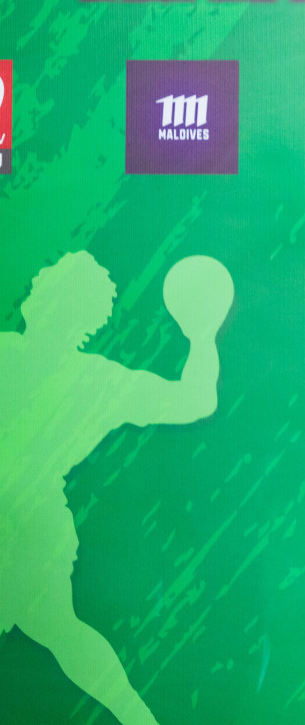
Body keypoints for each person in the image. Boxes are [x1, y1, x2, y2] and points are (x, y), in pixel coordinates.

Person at [0, 252, 233, 725]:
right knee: (60, 632)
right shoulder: (92, 380)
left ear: (50, 299)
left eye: (48, 284)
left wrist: (203, 334)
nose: (36, 286)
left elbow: (196, 401)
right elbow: (196, 399)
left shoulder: (86, 378)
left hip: (27, 526)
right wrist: (202, 335)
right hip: (33, 527)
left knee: (60, 631)